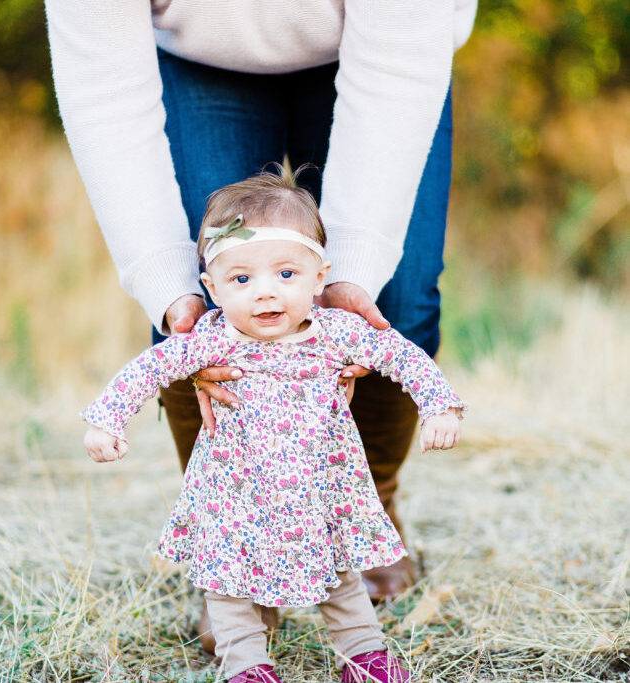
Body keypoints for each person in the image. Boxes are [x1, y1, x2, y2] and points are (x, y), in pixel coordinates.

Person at [46, 0, 477, 647]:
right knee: (196, 327)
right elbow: (102, 90)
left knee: (403, 299)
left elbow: (397, 63)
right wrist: (168, 287)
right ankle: (233, 552)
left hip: (390, 55)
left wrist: (347, 275)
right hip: (195, 61)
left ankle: (363, 504)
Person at [82, 171, 466, 683]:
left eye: (286, 274)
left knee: (339, 573)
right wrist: (107, 419)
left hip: (320, 487)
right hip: (234, 493)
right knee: (229, 582)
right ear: (212, 287)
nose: (265, 294)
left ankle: (365, 654)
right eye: (242, 280)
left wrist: (438, 405)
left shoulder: (336, 332)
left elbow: (403, 356)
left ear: (319, 276)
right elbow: (149, 368)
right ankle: (245, 665)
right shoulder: (211, 340)